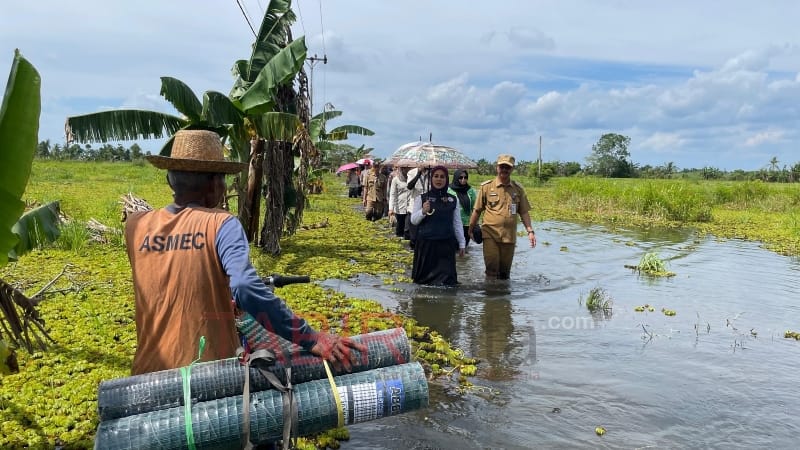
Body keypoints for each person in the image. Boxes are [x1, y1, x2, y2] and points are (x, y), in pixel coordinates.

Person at [124, 130, 365, 375]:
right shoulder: (221, 224)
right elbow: (245, 287)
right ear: (215, 183)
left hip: (147, 374)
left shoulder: (135, 225)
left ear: (169, 181)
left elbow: (169, 279)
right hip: (207, 376)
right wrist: (310, 338)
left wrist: (218, 296)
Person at [468, 154, 537, 280]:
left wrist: (530, 231)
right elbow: (477, 210)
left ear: (512, 169)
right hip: (490, 234)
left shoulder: (518, 189)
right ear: (497, 167)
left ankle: (503, 298)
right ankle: (491, 297)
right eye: (502, 167)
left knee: (505, 274)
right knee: (492, 268)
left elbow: (524, 212)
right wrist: (471, 228)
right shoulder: (486, 187)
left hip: (509, 237)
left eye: (507, 167)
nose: (504, 170)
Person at [410, 166, 466, 285]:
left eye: (442, 177)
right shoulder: (422, 198)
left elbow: (457, 223)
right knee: (423, 283)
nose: (439, 179)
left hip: (446, 246)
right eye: (436, 176)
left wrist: (462, 243)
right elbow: (414, 220)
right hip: (426, 246)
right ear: (431, 179)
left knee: (447, 284)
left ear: (447, 179)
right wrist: (423, 212)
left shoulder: (453, 199)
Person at [447, 168, 477, 247]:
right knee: (452, 249)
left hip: (467, 225)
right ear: (456, 177)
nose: (463, 180)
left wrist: (474, 225)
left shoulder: (470, 191)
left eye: (465, 177)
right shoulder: (448, 190)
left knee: (463, 249)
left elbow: (475, 208)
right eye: (460, 177)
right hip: (452, 224)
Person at [405, 166, 429, 248]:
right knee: (413, 238)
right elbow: (409, 187)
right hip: (414, 209)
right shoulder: (411, 172)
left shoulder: (432, 173)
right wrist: (418, 174)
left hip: (427, 209)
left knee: (425, 238)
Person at [388, 166, 411, 238]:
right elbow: (392, 194)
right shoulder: (396, 180)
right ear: (401, 169)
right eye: (404, 168)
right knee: (399, 230)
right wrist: (391, 208)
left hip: (409, 207)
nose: (406, 170)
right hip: (399, 207)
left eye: (408, 168)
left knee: (407, 229)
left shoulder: (412, 179)